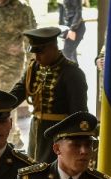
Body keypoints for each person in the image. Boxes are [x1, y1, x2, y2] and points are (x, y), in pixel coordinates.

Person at [10, 26, 88, 164]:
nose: (37, 57)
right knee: (33, 166)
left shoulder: (72, 73)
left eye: (41, 52)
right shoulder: (34, 67)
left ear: (53, 47)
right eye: (35, 53)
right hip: (36, 129)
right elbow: (19, 91)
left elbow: (78, 112)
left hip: (59, 132)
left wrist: (73, 142)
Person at [56, 0, 87, 66]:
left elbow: (78, 12)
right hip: (70, 27)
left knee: (66, 54)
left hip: (76, 28)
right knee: (72, 57)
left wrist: (72, 30)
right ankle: (77, 79)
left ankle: (73, 79)